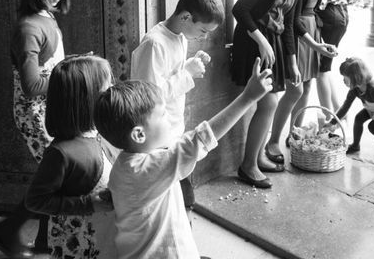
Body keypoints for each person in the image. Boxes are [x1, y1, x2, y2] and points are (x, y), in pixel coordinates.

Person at [94, 58, 272, 259]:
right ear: (139, 135)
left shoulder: (123, 163)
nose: (168, 119)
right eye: (162, 115)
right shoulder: (152, 167)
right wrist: (247, 98)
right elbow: (201, 138)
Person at [0, 0, 70, 258]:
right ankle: (9, 232)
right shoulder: (29, 28)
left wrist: (68, 67)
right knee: (55, 176)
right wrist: (70, 76)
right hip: (36, 115)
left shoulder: (47, 18)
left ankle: (34, 238)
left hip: (51, 110)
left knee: (54, 176)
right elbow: (33, 87)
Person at [230, 0, 324, 187]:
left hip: (273, 42)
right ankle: (248, 166)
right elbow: (240, 9)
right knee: (268, 104)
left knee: (275, 99)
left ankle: (258, 157)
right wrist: (261, 41)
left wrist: (292, 60)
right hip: (253, 41)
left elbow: (291, 23)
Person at [130, 0, 224, 214]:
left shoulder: (180, 37)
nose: (204, 37)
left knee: (181, 198)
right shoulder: (154, 43)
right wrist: (187, 73)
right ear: (185, 17)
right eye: (203, 31)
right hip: (156, 139)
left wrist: (191, 63)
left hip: (174, 130)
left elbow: (171, 75)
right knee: (178, 201)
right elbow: (148, 96)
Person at [25, 55, 116, 258]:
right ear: (86, 99)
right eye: (106, 88)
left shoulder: (99, 134)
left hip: (104, 236)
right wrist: (87, 204)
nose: (112, 91)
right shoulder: (61, 153)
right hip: (79, 245)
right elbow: (35, 201)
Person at [265, 0, 338, 160]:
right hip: (288, 37)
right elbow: (289, 20)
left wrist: (318, 44)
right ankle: (275, 140)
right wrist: (297, 55)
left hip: (305, 32)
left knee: (303, 88)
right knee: (292, 89)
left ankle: (288, 135)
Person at [329, 57, 374, 160]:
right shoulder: (355, 89)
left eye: (345, 77)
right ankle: (355, 145)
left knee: (373, 127)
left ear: (355, 77)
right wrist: (332, 122)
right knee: (358, 118)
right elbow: (345, 106)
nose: (343, 80)